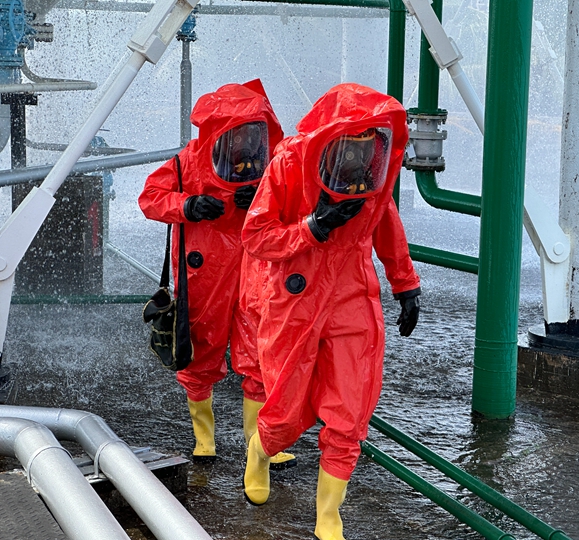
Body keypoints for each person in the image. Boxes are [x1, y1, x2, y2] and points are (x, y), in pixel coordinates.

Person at [240, 83, 421, 540]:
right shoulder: (288, 162)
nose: (359, 157)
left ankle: (328, 515)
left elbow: (385, 221)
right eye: (350, 147)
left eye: (367, 145)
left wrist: (405, 284)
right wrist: (310, 228)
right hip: (295, 296)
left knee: (350, 410)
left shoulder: (374, 170)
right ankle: (260, 450)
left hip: (352, 294)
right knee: (285, 412)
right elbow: (256, 235)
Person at [138, 80, 295, 468]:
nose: (245, 142)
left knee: (260, 351)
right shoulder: (188, 162)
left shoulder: (273, 160)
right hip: (205, 271)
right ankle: (204, 439)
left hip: (256, 268)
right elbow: (150, 198)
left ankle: (260, 442)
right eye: (236, 133)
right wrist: (188, 205)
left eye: (251, 132)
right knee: (200, 352)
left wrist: (263, 196)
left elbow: (297, 200)